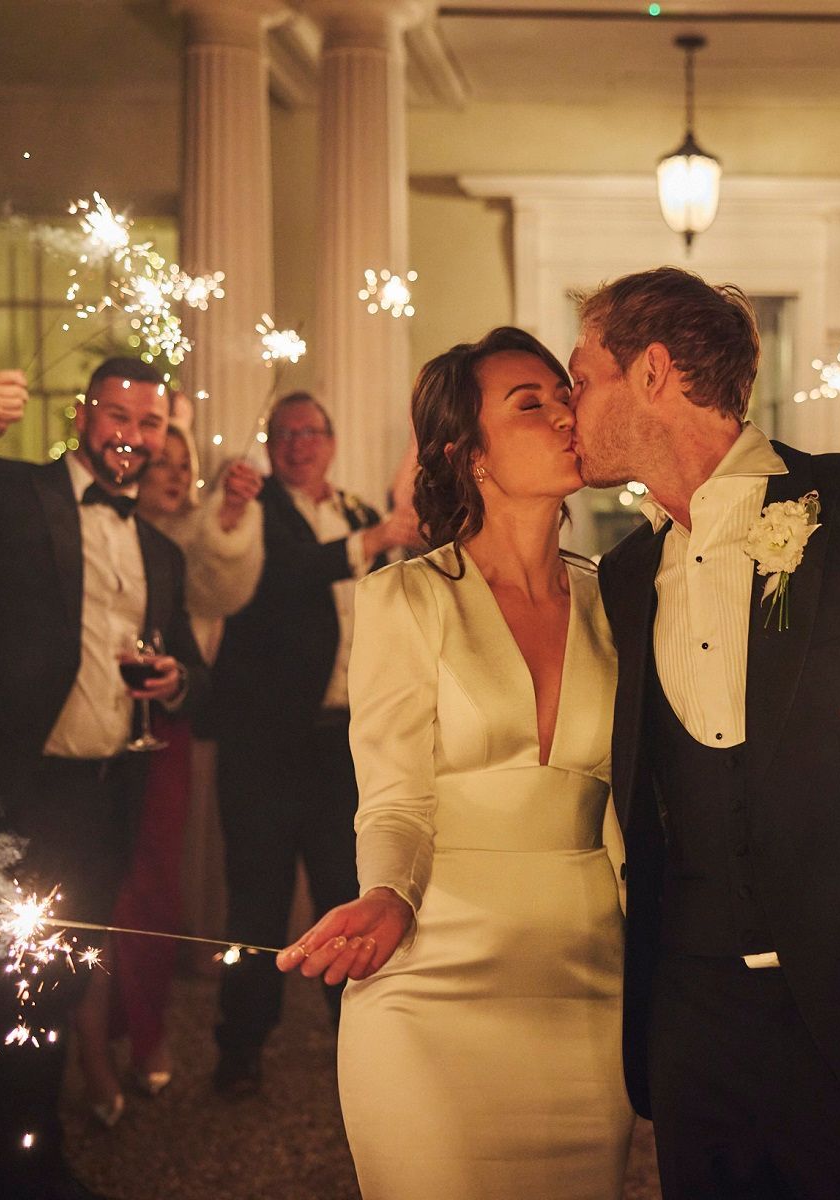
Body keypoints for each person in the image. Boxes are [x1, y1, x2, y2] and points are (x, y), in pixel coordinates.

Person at [570, 267, 840, 1197]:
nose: (570, 406)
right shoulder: (621, 573)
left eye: (582, 378)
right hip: (695, 1026)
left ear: (651, 374)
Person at [277, 327, 632, 1197]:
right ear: (465, 452)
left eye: (563, 391)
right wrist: (387, 894)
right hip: (430, 977)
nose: (564, 411)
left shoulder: (620, 598)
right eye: (529, 402)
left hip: (591, 990)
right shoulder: (403, 597)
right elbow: (394, 800)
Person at [0, 359, 204, 1200]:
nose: (131, 435)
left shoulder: (161, 552)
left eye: (149, 422)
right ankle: (13, 1179)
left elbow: (196, 674)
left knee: (58, 990)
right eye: (117, 415)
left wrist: (175, 683)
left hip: (106, 798)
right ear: (83, 414)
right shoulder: (16, 495)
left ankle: (40, 1159)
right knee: (10, 990)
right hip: (13, 796)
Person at [207, 391, 412, 1094]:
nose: (298, 444)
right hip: (265, 745)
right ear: (269, 444)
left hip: (344, 746)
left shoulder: (357, 511)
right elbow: (276, 577)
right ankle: (239, 1052)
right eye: (284, 434)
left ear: (330, 439)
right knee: (256, 905)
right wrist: (376, 540)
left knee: (347, 895)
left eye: (311, 432)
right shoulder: (252, 515)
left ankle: (359, 1046)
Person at [72, 420, 263, 1127]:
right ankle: (91, 1042)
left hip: (163, 731)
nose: (176, 474)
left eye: (187, 465)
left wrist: (233, 515)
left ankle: (143, 1029)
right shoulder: (87, 534)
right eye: (165, 462)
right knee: (92, 891)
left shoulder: (193, 545)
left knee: (151, 891)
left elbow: (218, 589)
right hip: (84, 730)